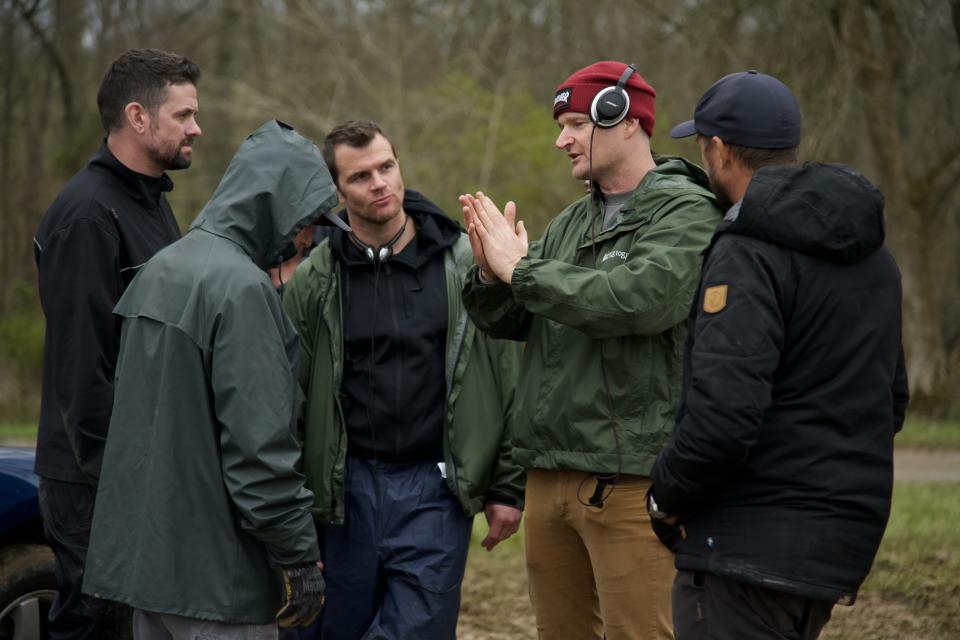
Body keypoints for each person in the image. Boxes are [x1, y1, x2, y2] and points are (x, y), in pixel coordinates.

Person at [460, 61, 722, 640]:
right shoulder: (571, 222)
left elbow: (636, 301)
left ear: (624, 120)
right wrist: (489, 276)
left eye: (576, 123)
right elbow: (516, 317)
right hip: (549, 474)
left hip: (629, 480)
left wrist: (522, 271)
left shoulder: (686, 211)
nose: (561, 139)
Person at [647, 70, 909, 640]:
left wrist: (663, 494)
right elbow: (891, 401)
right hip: (834, 547)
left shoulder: (748, 252)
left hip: (740, 549)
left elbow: (722, 418)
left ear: (717, 150)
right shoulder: (875, 259)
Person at [82, 120, 338, 638]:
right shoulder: (241, 290)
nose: (309, 237)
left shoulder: (161, 267)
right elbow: (259, 451)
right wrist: (297, 555)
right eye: (308, 219)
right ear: (276, 205)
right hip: (219, 582)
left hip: (149, 571)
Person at [281, 119, 524, 640]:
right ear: (336, 191)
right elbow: (290, 398)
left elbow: (507, 376)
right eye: (361, 176)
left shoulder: (462, 263)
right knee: (331, 631)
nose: (380, 183)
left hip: (434, 486)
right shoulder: (315, 278)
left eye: (387, 166)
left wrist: (508, 484)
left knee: (420, 629)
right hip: (344, 490)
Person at [32, 47, 201, 639]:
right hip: (97, 483)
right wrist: (124, 480)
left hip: (144, 471)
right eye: (182, 115)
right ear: (138, 117)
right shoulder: (87, 214)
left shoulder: (151, 207)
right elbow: (84, 372)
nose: (196, 128)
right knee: (96, 630)